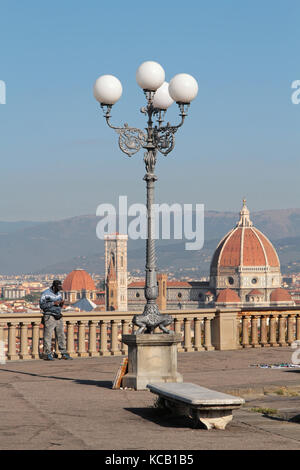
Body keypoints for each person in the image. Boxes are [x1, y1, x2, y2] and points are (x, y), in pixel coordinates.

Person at [39, 280, 72, 361]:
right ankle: (47, 353)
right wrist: (53, 303)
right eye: (58, 288)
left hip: (58, 316)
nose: (59, 289)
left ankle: (63, 352)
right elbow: (42, 305)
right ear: (54, 286)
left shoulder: (59, 294)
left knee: (61, 335)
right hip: (49, 316)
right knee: (48, 336)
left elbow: (59, 305)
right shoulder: (45, 293)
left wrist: (61, 304)